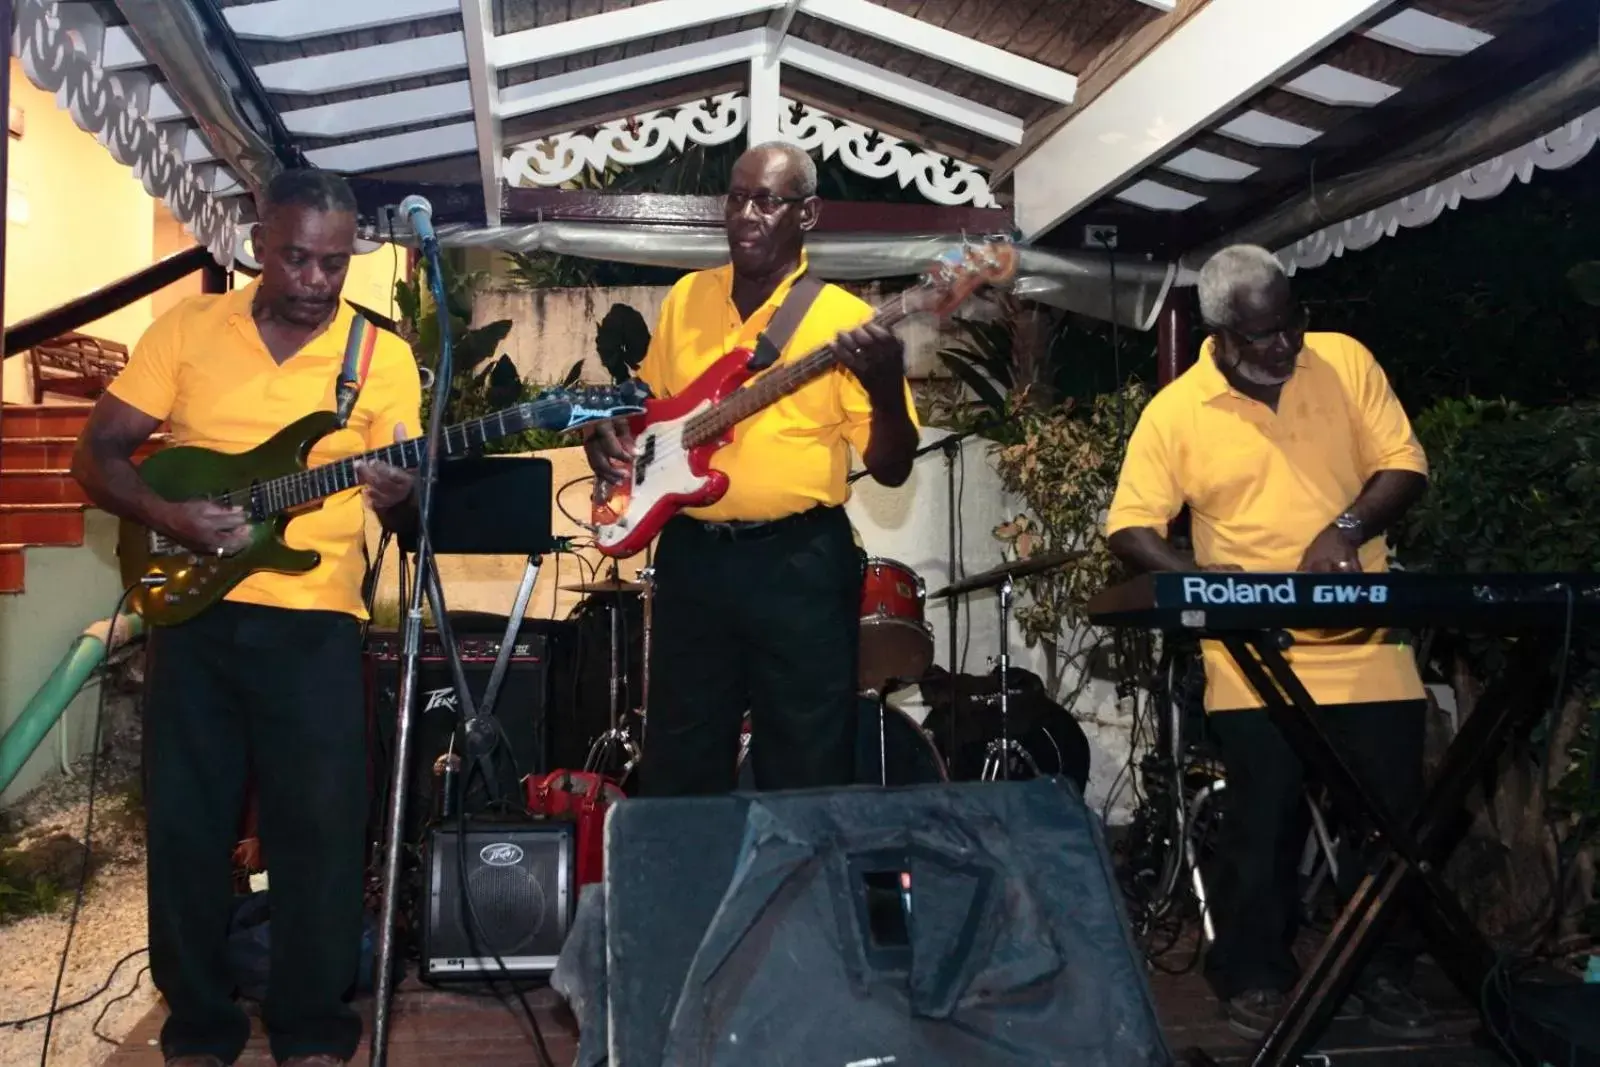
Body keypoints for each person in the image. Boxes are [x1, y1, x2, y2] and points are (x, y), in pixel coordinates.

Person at [72, 170, 421, 1067]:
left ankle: (311, 1026)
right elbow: (97, 453)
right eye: (297, 257)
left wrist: (401, 495)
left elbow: (415, 517)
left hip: (314, 624)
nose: (314, 280)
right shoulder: (188, 329)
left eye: (334, 265)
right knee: (188, 825)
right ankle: (199, 1023)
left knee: (322, 831)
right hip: (195, 618)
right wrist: (171, 515)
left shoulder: (381, 357)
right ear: (259, 239)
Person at [1104, 245, 1436, 1041]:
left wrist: (1347, 527)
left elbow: (1406, 462)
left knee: (1391, 822)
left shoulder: (1345, 362)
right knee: (1264, 821)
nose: (1284, 345)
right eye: (1261, 336)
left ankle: (1380, 967)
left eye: (1292, 322)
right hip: (1255, 658)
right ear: (1219, 334)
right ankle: (1252, 971)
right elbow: (1129, 527)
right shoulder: (1178, 413)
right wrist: (1215, 595)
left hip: (1368, 644)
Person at [583, 141, 919, 796]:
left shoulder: (843, 320)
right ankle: (692, 896)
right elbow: (654, 413)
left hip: (798, 565)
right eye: (736, 197)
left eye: (766, 200)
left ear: (808, 212)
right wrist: (610, 432)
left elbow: (893, 469)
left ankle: (798, 896)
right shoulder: (686, 298)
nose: (745, 214)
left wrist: (883, 388)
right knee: (679, 761)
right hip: (693, 559)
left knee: (806, 764)